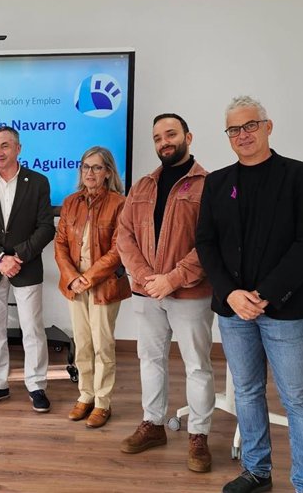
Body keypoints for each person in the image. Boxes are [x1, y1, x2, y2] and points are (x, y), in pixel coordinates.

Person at [196, 96, 303, 493]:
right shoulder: (217, 182)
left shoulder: (302, 176)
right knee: (248, 391)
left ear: (268, 127)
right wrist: (232, 293)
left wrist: (265, 294)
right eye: (234, 130)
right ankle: (257, 471)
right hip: (234, 310)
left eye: (250, 126)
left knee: (298, 400)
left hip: (285, 308)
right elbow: (206, 243)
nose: (242, 135)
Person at [116, 113, 214, 472]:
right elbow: (124, 235)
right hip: (147, 293)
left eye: (170, 134)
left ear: (188, 136)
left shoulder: (208, 184)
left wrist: (172, 279)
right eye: (157, 137)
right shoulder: (142, 185)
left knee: (197, 366)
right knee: (150, 360)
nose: (164, 142)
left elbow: (210, 243)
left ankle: (198, 435)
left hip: (190, 292)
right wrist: (144, 276)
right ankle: (153, 424)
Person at [0, 126, 55, 412]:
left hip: (25, 267)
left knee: (32, 328)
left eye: (5, 146)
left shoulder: (38, 182)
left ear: (18, 148)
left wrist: (17, 256)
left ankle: (36, 385)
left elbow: (45, 228)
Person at [54, 147, 130, 428]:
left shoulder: (120, 204)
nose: (90, 173)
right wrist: (73, 276)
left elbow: (119, 248)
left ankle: (102, 402)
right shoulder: (70, 202)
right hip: (75, 285)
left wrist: (91, 276)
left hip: (104, 286)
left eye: (97, 168)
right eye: (86, 167)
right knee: (82, 344)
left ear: (108, 172)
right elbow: (60, 244)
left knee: (103, 347)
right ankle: (85, 396)